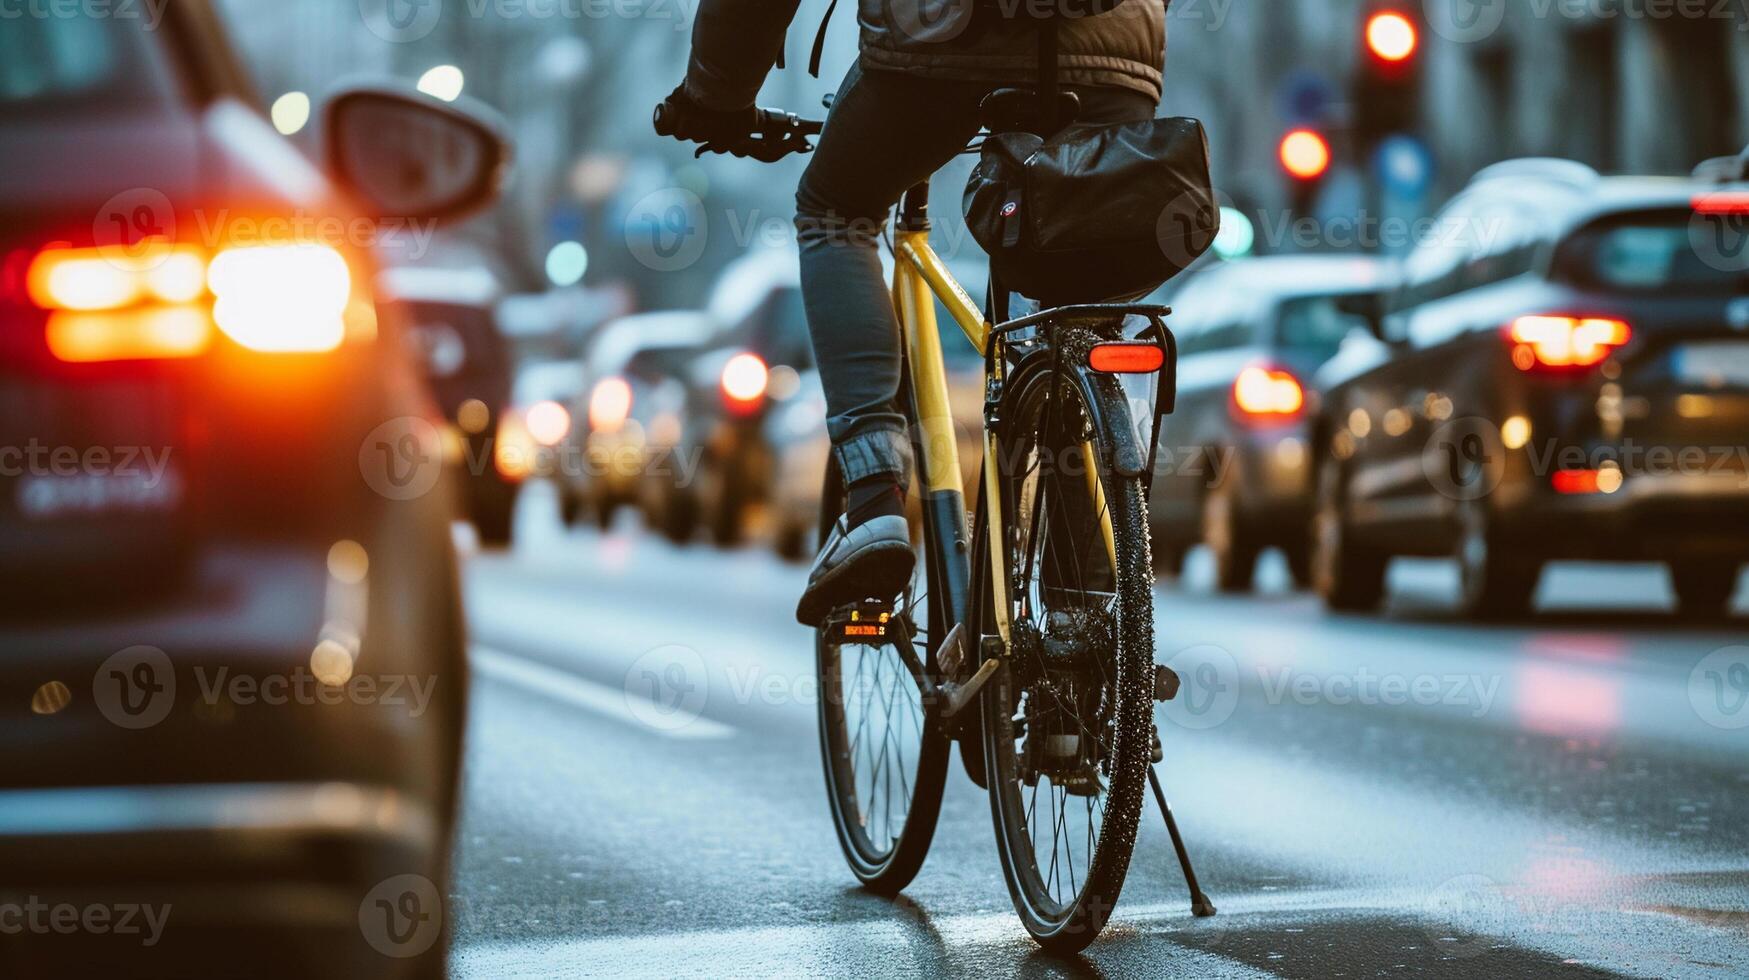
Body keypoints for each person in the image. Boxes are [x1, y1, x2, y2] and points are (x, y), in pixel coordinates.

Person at [656, 0, 1167, 626]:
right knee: (1076, 320)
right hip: (1114, 56)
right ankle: (1084, 623)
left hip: (938, 45)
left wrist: (718, 95)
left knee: (836, 212)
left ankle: (874, 494)